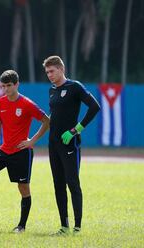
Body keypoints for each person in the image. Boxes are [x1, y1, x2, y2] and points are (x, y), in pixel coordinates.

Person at [0, 70, 50, 233]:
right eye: (3, 86)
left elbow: (46, 121)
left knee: (23, 188)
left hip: (21, 153)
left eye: (9, 85)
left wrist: (32, 141)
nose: (5, 89)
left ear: (17, 84)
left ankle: (21, 226)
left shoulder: (27, 104)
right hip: (4, 150)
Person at [42, 55, 100, 235]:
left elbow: (95, 106)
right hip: (53, 144)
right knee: (58, 184)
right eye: (47, 72)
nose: (49, 75)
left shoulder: (75, 87)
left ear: (61, 69)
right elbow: (54, 116)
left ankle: (77, 226)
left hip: (69, 143)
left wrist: (76, 130)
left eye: (52, 71)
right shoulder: (52, 91)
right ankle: (64, 226)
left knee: (72, 183)